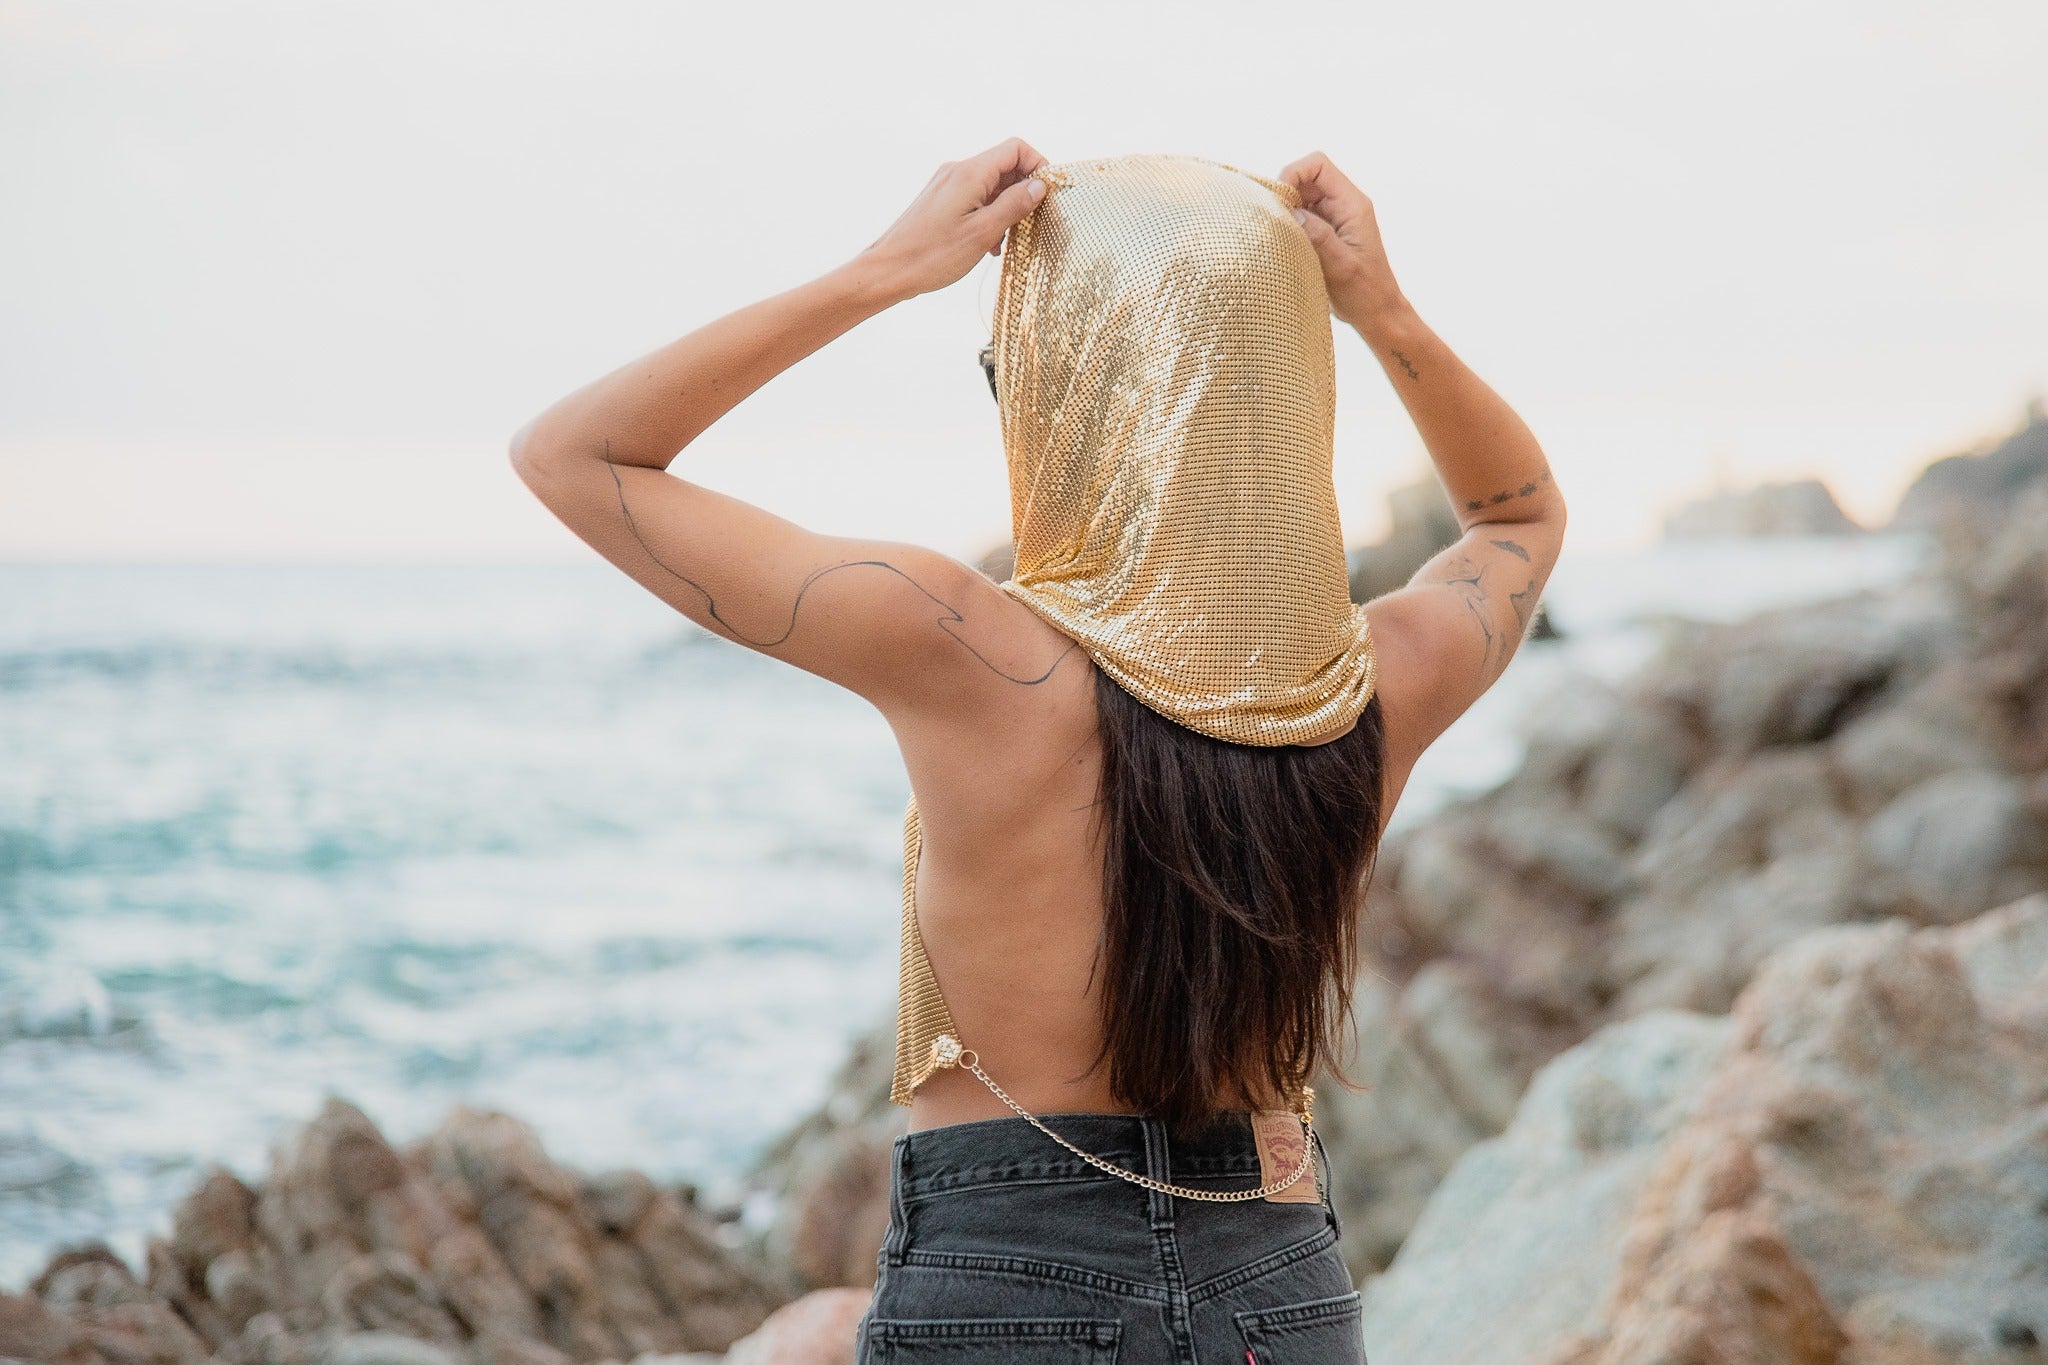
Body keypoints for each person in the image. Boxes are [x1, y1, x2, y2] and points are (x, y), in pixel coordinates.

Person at [510, 138, 1563, 1365]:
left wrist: (882, 272)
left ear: (1060, 389)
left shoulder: (962, 649)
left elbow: (574, 456)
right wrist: (1377, 305)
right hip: (1280, 1292)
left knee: (793, 1342)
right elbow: (1517, 514)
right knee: (810, 1337)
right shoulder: (1375, 685)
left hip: (1006, 1278)